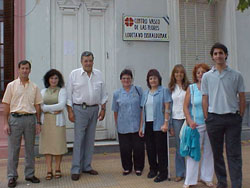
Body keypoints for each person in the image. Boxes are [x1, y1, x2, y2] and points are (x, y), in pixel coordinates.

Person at [202, 43, 246, 188]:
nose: (218, 56)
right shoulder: (207, 77)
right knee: (217, 153)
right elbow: (205, 98)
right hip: (214, 119)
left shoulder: (236, 75)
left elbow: (242, 97)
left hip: (232, 118)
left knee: (234, 154)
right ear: (212, 57)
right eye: (215, 53)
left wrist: (240, 116)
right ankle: (222, 182)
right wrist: (206, 117)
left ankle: (236, 184)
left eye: (221, 53)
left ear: (226, 55)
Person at [66, 51, 108, 181]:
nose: (88, 63)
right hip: (79, 109)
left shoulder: (99, 74)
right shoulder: (74, 74)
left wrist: (103, 109)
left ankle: (87, 166)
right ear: (81, 61)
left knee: (90, 139)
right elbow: (68, 95)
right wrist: (70, 111)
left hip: (94, 109)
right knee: (79, 140)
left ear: (93, 61)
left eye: (90, 60)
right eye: (85, 61)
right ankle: (76, 169)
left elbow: (103, 94)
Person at [2, 60, 43, 188]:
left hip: (30, 119)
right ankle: (12, 176)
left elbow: (37, 106)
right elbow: (6, 105)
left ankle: (30, 174)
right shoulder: (11, 86)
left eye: (27, 68)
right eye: (22, 68)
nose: (25, 71)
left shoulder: (34, 87)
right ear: (18, 70)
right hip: (15, 119)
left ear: (30, 70)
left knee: (30, 149)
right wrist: (5, 123)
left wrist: (38, 122)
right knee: (14, 150)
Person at [183, 63, 214, 188]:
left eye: (203, 72)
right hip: (196, 125)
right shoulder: (191, 88)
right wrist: (190, 120)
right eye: (198, 72)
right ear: (195, 75)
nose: (200, 74)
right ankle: (190, 180)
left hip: (211, 124)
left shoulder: (212, 87)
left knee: (209, 151)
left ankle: (207, 178)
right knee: (194, 152)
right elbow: (185, 106)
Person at [139, 69, 171, 183]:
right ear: (148, 80)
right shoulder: (145, 93)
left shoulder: (164, 91)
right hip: (148, 124)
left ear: (159, 79)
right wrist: (141, 127)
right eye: (151, 78)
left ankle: (163, 172)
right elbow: (143, 111)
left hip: (160, 124)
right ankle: (153, 169)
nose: (153, 80)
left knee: (161, 149)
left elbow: (167, 108)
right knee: (150, 149)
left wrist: (166, 123)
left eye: (155, 78)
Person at [112, 69, 145, 176]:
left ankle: (139, 167)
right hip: (123, 126)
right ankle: (127, 167)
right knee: (125, 149)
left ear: (132, 79)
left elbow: (142, 109)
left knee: (138, 148)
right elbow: (115, 111)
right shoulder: (117, 94)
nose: (126, 80)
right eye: (124, 78)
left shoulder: (138, 90)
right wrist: (117, 124)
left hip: (137, 125)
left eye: (128, 78)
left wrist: (142, 125)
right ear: (121, 80)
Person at [39, 69, 68, 180]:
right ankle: (49, 170)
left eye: (56, 78)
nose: (54, 80)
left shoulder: (62, 91)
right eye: (51, 78)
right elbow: (40, 106)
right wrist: (50, 110)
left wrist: (46, 108)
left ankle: (57, 168)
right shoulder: (43, 91)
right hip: (45, 122)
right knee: (47, 146)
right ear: (48, 79)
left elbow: (61, 106)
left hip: (57, 122)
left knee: (58, 145)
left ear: (59, 80)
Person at [168, 64, 189, 182]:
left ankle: (190, 173)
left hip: (188, 119)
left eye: (181, 72)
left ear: (184, 74)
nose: (179, 74)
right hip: (176, 119)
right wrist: (170, 124)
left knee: (189, 145)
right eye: (176, 72)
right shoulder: (170, 88)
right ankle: (180, 172)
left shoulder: (189, 87)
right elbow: (168, 107)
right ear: (173, 74)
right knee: (179, 147)